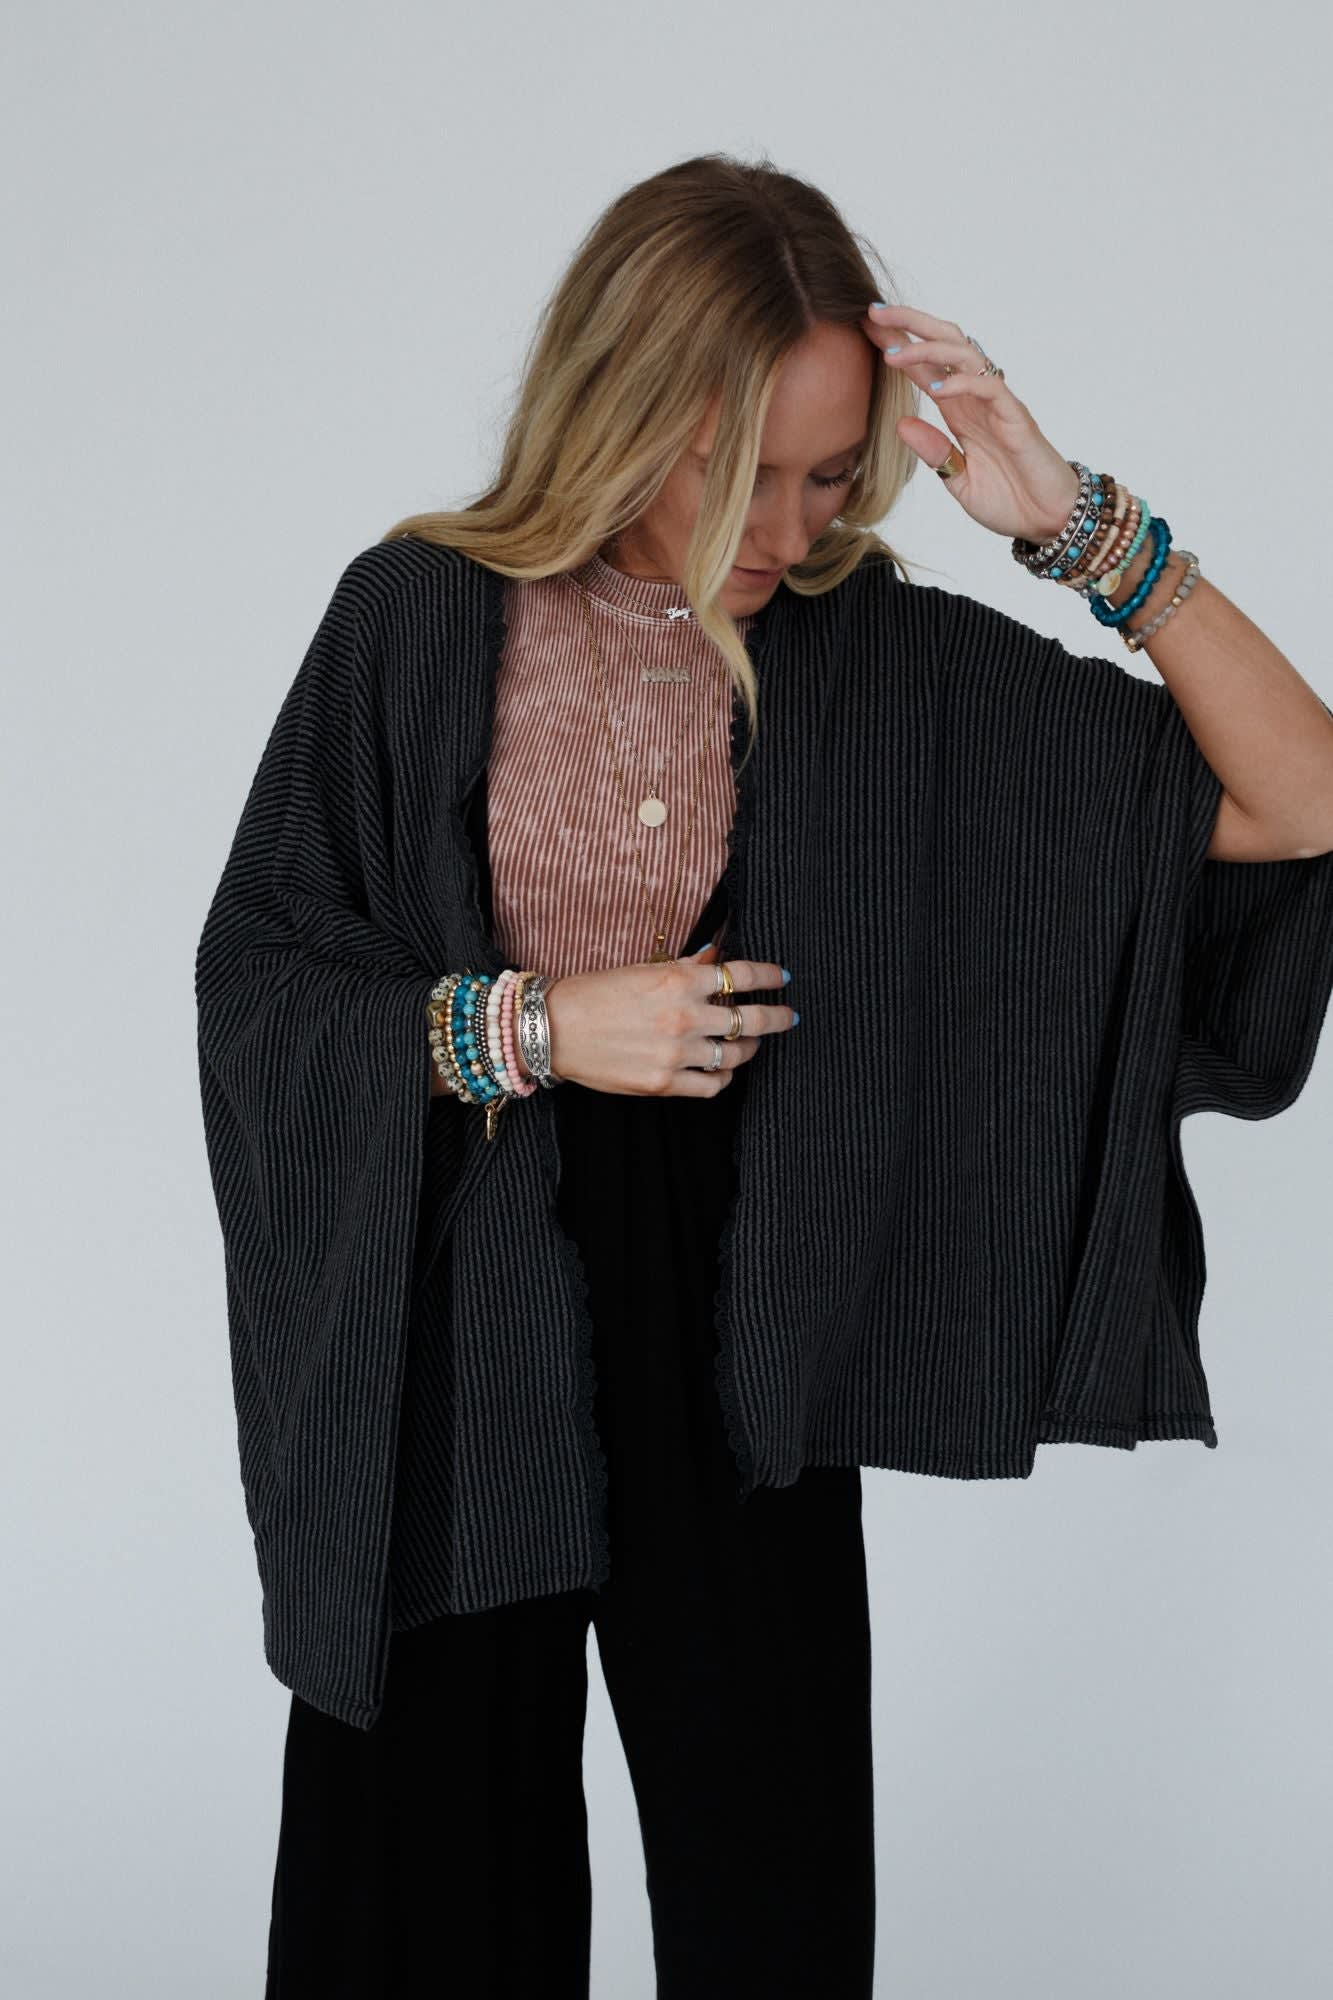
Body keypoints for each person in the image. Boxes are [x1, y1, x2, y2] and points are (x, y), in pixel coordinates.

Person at [195, 152, 1333, 2000]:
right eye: (746, 471)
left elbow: (1301, 806)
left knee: (771, 1888)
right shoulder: (414, 616)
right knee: (420, 1885)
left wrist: (1075, 526)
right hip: (445, 1296)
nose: (790, 526)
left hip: (745, 1303)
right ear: (623, 407)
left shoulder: (879, 658)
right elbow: (263, 983)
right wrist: (538, 1028)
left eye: (828, 473)